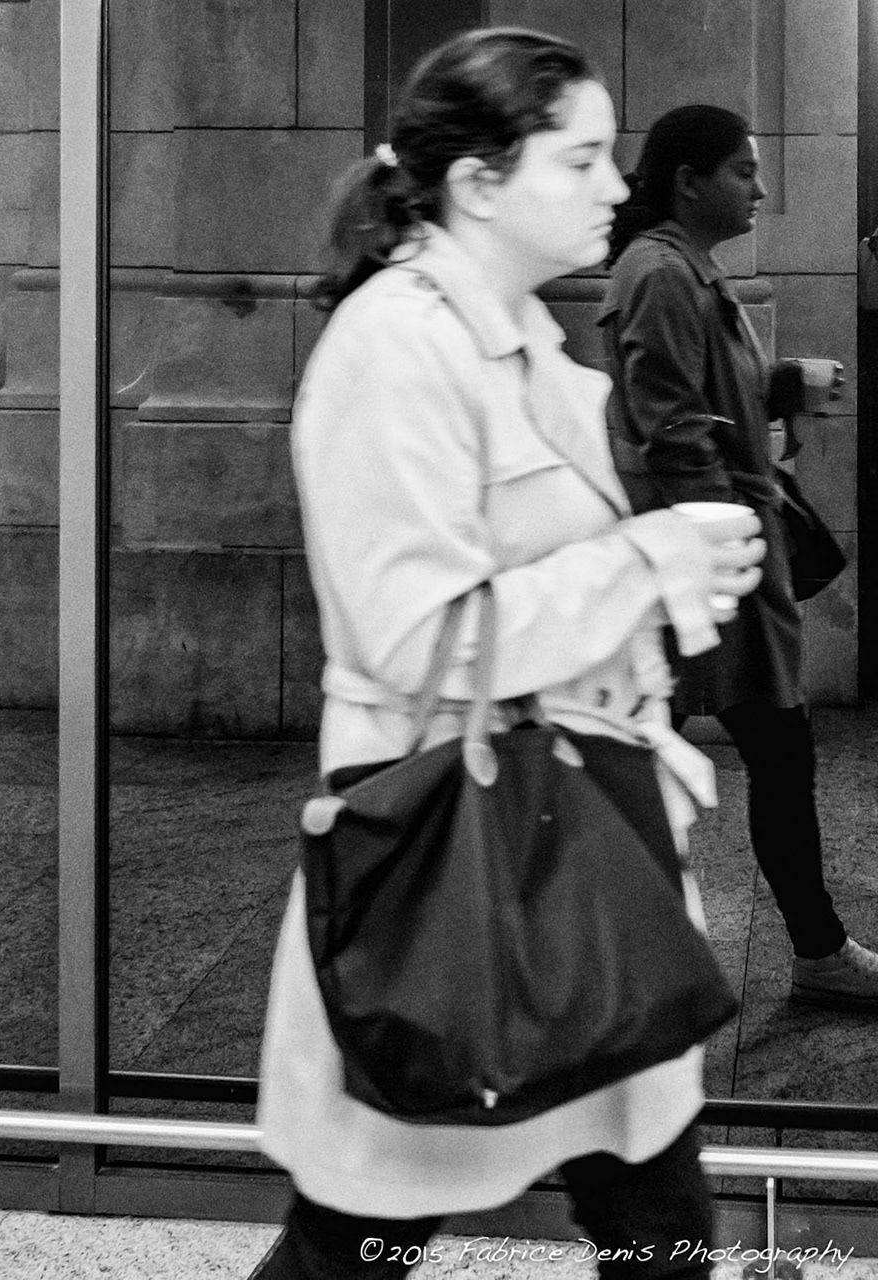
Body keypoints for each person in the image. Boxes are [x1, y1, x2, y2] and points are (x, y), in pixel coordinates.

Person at [254, 28, 764, 1273]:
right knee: (367, 1229)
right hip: (459, 848)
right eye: (581, 157)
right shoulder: (394, 349)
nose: (613, 184)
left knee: (652, 1213)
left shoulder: (522, 336)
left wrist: (667, 578)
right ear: (480, 182)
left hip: (563, 836)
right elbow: (421, 631)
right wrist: (652, 564)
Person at [599, 105, 878, 1010]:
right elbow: (669, 422)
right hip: (710, 560)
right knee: (748, 751)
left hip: (713, 555)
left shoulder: (682, 270)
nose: (759, 188)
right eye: (744, 171)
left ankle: (798, 951)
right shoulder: (658, 274)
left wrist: (780, 382)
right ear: (690, 180)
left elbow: (701, 397)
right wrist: (730, 546)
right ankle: (809, 955)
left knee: (737, 751)